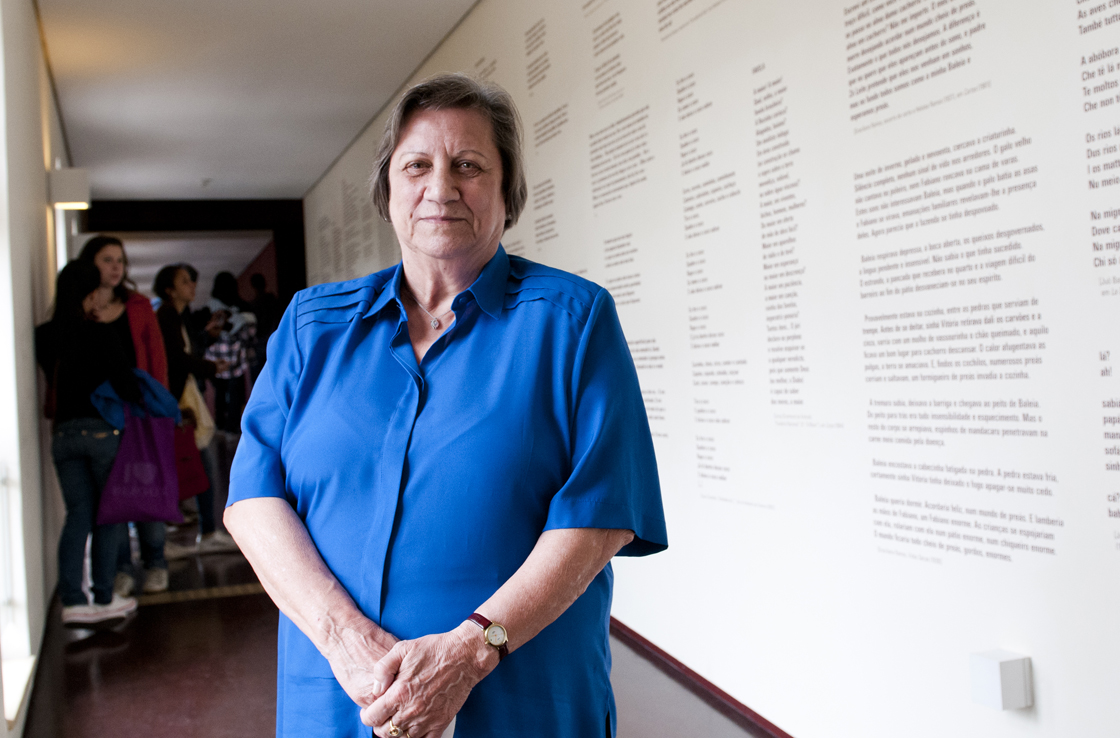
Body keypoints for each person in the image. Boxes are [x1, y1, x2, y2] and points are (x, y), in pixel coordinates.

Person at [225, 73, 667, 738]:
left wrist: (470, 651)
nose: (441, 187)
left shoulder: (572, 321)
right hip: (341, 698)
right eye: (418, 165)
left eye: (469, 166)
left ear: (506, 190)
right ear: (389, 189)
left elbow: (602, 514)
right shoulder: (311, 326)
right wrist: (347, 642)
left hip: (519, 697)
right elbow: (254, 498)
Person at [35, 261, 140, 627]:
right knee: (108, 517)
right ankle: (105, 596)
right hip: (100, 435)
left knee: (77, 515)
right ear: (90, 293)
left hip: (62, 436)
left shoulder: (43, 335)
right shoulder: (100, 334)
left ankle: (73, 601)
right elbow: (127, 385)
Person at [76, 235, 171, 595]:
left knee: (148, 485)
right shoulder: (81, 312)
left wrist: (160, 405)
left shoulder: (138, 305)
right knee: (114, 496)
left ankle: (156, 562)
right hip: (102, 415)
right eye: (107, 259)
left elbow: (156, 356)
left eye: (120, 260)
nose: (116, 267)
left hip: (141, 409)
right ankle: (122, 569)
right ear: (90, 264)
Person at [152, 264, 240, 556]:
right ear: (169, 288)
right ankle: (203, 532)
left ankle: (205, 530)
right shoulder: (166, 315)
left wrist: (208, 339)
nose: (192, 286)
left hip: (181, 400)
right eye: (185, 281)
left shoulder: (178, 316)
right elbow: (177, 359)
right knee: (199, 465)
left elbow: (186, 354)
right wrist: (211, 366)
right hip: (175, 402)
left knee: (200, 464)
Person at [205, 272, 255, 434]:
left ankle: (220, 425)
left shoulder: (209, 310)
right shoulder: (242, 310)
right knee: (235, 394)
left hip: (215, 361)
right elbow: (250, 334)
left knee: (220, 393)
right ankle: (231, 427)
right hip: (235, 361)